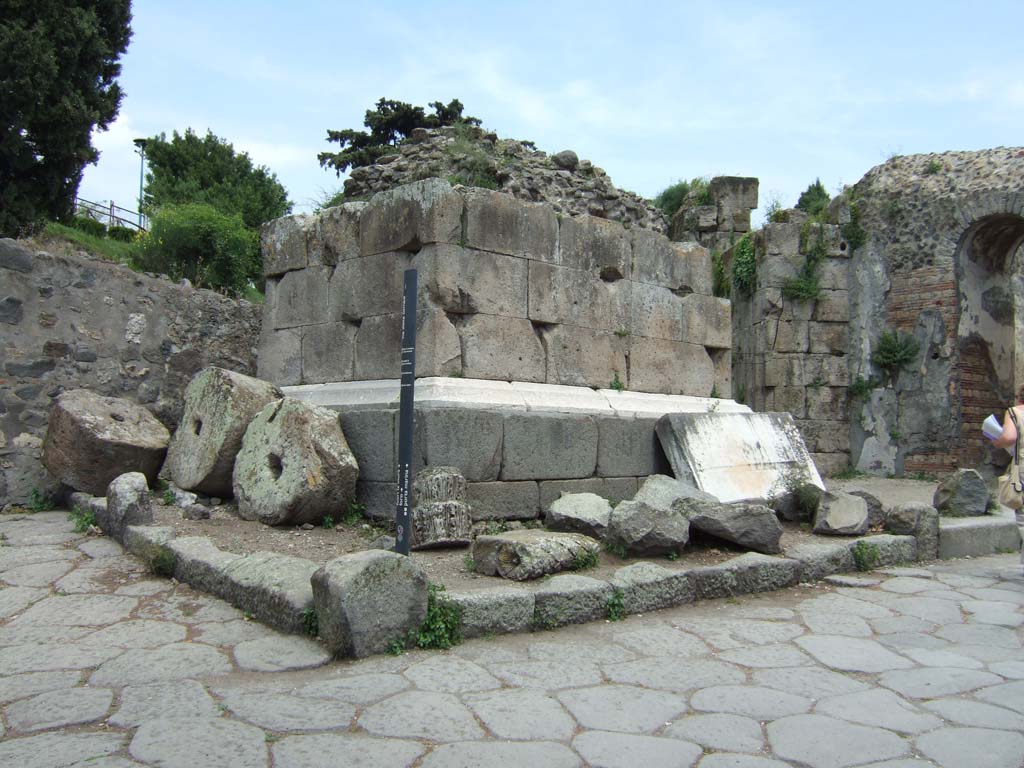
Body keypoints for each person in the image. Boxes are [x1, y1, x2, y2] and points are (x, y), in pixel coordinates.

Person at [991, 386, 1024, 452]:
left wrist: (998, 442)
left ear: (1020, 398)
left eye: (1016, 397)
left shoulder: (1014, 412)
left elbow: (1009, 438)